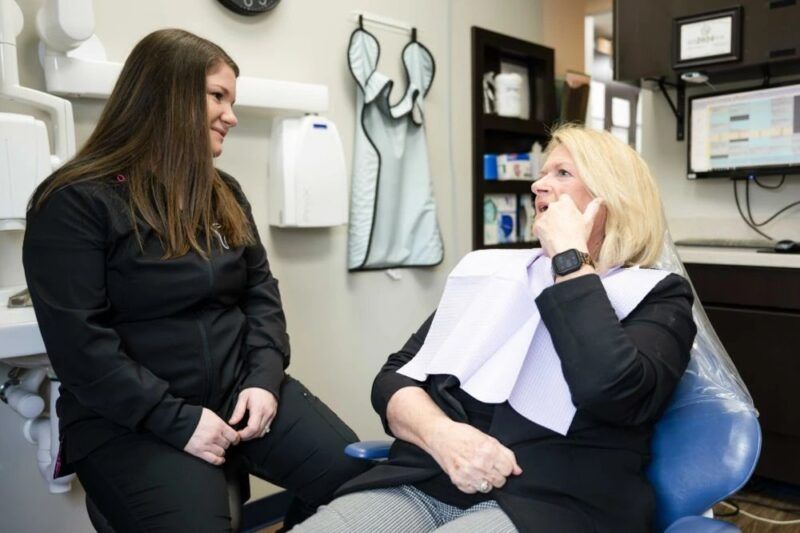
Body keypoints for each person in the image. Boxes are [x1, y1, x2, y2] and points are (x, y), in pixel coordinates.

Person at [23, 29, 367, 532]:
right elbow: (82, 348)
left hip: (239, 390)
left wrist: (264, 380)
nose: (231, 115)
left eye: (232, 101)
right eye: (217, 96)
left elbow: (261, 295)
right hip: (131, 419)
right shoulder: (77, 201)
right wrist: (178, 420)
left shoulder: (222, 192)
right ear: (167, 95)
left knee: (361, 483)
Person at [292, 124, 698, 532]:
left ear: (612, 199)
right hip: (429, 477)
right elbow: (396, 376)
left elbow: (613, 393)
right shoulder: (494, 272)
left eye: (562, 173)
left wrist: (570, 260)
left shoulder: (659, 295)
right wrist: (441, 436)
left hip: (556, 502)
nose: (538, 185)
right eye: (542, 173)